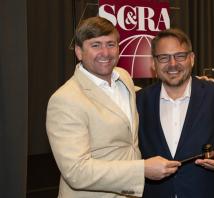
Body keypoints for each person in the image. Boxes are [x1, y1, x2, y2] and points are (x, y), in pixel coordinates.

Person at [46, 16, 181, 198]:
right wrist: (141, 169)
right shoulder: (65, 100)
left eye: (111, 44)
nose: (106, 52)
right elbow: (76, 172)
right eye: (96, 45)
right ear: (79, 52)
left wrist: (188, 85)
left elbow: (149, 96)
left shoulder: (122, 76)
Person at [136, 28, 214, 198]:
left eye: (180, 56)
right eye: (164, 57)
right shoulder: (139, 101)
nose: (173, 64)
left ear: (191, 59)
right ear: (153, 64)